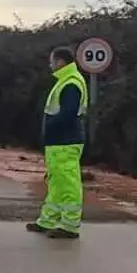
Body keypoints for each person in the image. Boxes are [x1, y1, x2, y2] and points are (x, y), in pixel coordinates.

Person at [27, 45, 89, 239]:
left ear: (61, 62)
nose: (50, 64)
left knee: (68, 184)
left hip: (65, 141)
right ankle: (47, 221)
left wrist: (51, 126)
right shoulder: (65, 80)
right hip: (58, 143)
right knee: (56, 183)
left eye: (52, 60)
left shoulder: (71, 83)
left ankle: (70, 226)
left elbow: (67, 114)